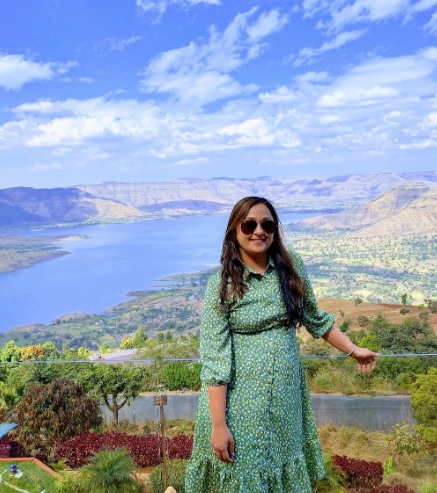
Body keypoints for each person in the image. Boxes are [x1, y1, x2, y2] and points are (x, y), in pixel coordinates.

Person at [185, 196, 379, 493]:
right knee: (244, 473)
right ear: (234, 231)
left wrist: (353, 350)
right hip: (240, 406)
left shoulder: (291, 267)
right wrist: (219, 425)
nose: (258, 231)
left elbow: (315, 319)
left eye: (267, 225)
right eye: (249, 225)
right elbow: (215, 362)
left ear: (275, 230)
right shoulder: (222, 285)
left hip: (286, 401)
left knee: (281, 470)